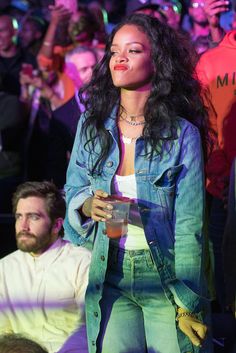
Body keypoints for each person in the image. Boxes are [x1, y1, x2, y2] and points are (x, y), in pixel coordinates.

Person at [64, 13, 212, 353]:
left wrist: (187, 302)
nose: (120, 58)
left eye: (132, 50)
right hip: (110, 270)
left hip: (165, 276)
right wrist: (88, 204)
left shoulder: (181, 134)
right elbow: (72, 189)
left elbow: (189, 226)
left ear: (157, 61)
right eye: (115, 50)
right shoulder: (92, 123)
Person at [0, 181, 91, 353]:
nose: (23, 226)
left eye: (33, 217)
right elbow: (3, 333)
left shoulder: (81, 262)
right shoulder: (4, 268)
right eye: (19, 216)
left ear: (57, 225)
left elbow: (87, 329)